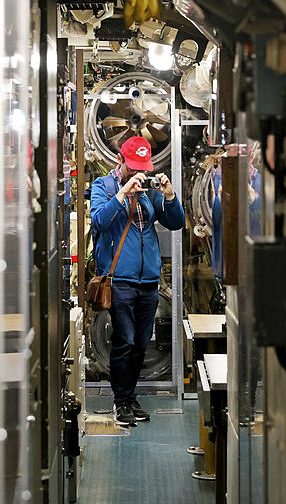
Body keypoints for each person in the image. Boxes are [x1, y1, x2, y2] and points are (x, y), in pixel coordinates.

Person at [89, 136, 185, 427]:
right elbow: (99, 222)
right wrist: (122, 195)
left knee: (141, 344)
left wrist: (168, 195)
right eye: (133, 167)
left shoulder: (149, 192)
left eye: (142, 168)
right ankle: (121, 401)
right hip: (119, 280)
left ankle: (130, 397)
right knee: (125, 340)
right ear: (120, 161)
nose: (138, 173)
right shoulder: (103, 187)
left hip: (149, 281)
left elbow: (176, 222)